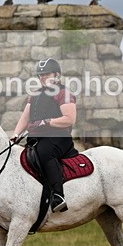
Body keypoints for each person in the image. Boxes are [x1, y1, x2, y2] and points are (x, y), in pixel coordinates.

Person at [12, 58, 76, 212]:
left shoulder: (64, 93)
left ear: (57, 75)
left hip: (59, 138)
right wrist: (15, 135)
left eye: (47, 74)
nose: (43, 78)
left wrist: (47, 122)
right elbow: (25, 117)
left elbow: (69, 119)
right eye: (41, 75)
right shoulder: (34, 95)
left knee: (43, 152)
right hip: (36, 138)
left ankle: (58, 196)